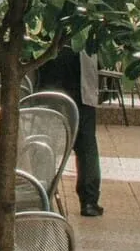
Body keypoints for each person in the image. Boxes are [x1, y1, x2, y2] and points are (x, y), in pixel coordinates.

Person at [38, 46, 103, 215]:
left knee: (45, 142)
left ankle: (41, 193)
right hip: (79, 75)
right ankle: (89, 201)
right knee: (86, 144)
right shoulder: (86, 25)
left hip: (50, 77)